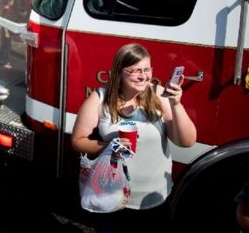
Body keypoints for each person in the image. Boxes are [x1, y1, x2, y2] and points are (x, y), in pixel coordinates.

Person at [70, 43, 197, 232]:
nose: (142, 76)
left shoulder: (159, 94)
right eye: (135, 70)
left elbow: (187, 141)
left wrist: (176, 104)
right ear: (119, 72)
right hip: (112, 195)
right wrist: (109, 146)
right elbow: (77, 141)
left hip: (155, 198)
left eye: (146, 69)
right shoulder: (100, 98)